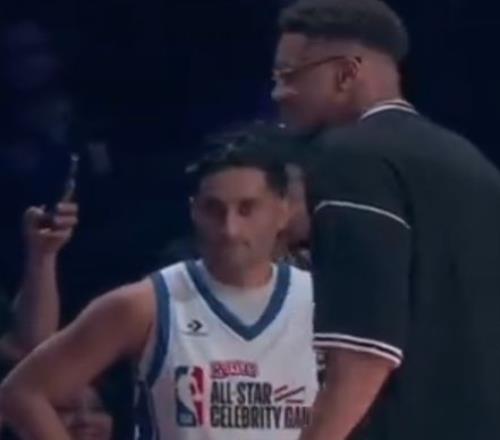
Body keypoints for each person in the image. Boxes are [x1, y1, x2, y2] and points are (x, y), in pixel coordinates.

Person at [271, 0, 500, 439]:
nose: (279, 94)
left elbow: (365, 353)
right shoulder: (476, 164)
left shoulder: (351, 158)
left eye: (289, 75)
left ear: (345, 74)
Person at [0, 137, 318, 440]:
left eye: (247, 209)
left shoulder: (323, 301)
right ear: (194, 211)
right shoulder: (146, 304)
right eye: (213, 209)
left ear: (283, 211)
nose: (230, 229)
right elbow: (22, 392)